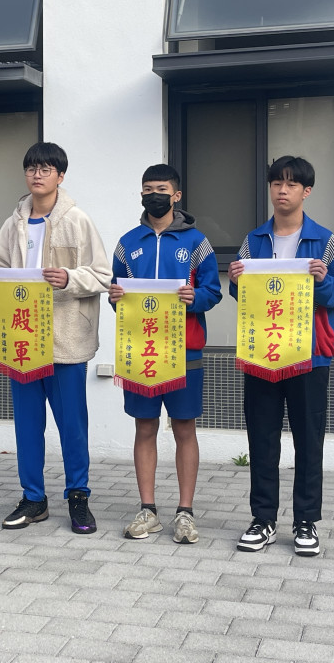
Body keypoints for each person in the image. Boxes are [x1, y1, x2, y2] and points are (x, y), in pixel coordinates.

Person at [0, 142, 112, 534]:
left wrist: (69, 278)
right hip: (22, 339)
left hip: (66, 339)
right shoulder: (13, 223)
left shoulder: (78, 220)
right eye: (32, 168)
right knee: (27, 426)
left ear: (60, 175)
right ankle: (33, 498)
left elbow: (103, 275)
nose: (37, 175)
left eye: (46, 168)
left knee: (73, 426)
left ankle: (78, 497)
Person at [228, 156, 334, 556]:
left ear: (306, 191)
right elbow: (243, 295)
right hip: (262, 354)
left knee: (308, 439)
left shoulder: (324, 240)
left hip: (309, 356)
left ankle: (306, 522)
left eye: (292, 184)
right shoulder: (254, 240)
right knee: (262, 438)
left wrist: (322, 282)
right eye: (276, 183)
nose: (282, 191)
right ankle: (263, 519)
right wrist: (236, 282)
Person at [109, 164, 221, 544]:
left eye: (160, 189)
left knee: (184, 427)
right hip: (140, 348)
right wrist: (115, 297)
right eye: (147, 189)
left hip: (184, 349)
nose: (153, 195)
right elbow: (118, 292)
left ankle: (185, 512)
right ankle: (148, 510)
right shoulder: (128, 243)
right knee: (144, 427)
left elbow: (213, 291)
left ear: (176, 196)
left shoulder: (197, 242)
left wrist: (196, 297)